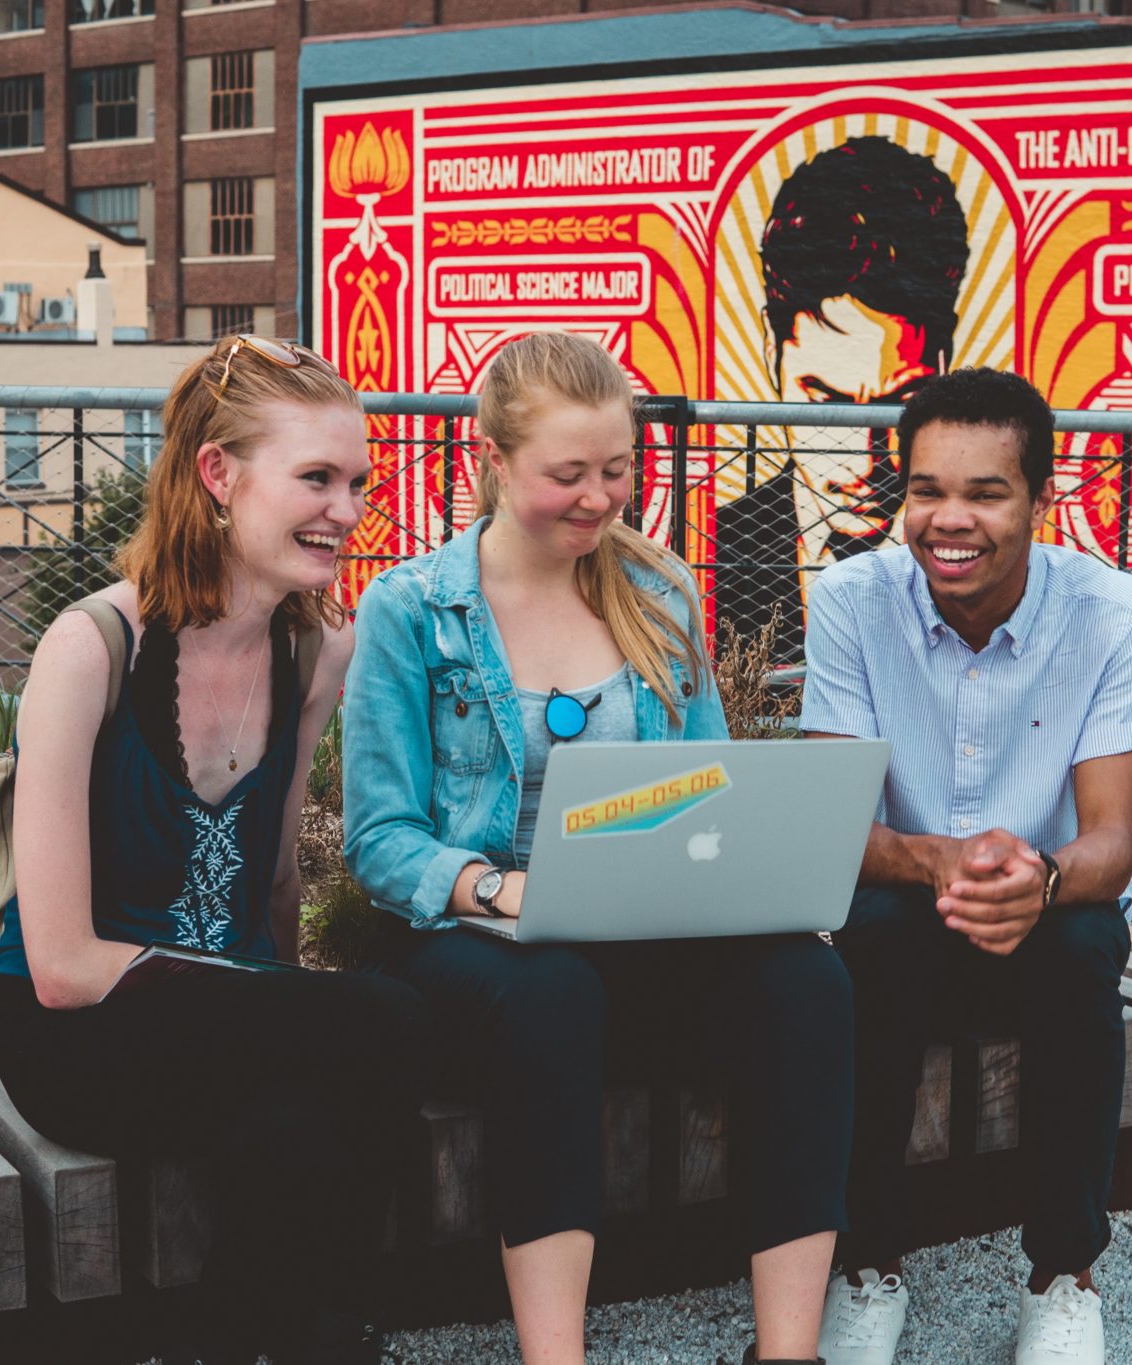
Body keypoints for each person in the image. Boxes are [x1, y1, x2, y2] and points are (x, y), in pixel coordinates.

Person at [342, 330, 854, 1365]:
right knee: (551, 985)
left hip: (639, 940)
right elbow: (380, 843)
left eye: (616, 470)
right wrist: (501, 891)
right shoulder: (411, 610)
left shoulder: (656, 591)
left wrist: (759, 883)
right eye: (565, 474)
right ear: (490, 458)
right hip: (472, 944)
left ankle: (788, 1351)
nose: (597, 497)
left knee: (805, 980)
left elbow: (713, 791)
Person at [0, 335, 429, 1365]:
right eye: (315, 478)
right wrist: (295, 1017)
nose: (348, 510)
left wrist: (285, 1022)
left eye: (357, 482)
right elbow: (58, 967)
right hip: (80, 1033)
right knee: (390, 1021)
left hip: (222, 1010)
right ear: (218, 476)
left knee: (296, 1125)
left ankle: (290, 1339)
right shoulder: (92, 647)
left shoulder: (315, 651)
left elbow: (273, 883)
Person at [802, 368, 1132, 1365]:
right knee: (863, 947)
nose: (946, 520)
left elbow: (1109, 841)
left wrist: (1039, 882)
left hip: (1050, 903)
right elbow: (839, 824)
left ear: (1040, 500)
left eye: (984, 491)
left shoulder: (1109, 610)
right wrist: (941, 863)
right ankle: (866, 1266)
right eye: (925, 489)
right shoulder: (849, 600)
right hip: (904, 905)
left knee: (1084, 944)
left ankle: (1062, 1276)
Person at [716, 135, 971, 660]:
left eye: (900, 405)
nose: (865, 460)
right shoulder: (712, 547)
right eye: (825, 401)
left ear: (944, 368)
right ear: (771, 354)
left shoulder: (981, 560)